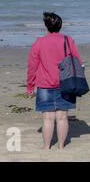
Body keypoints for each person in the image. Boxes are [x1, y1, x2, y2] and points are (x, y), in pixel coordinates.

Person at [27, 12, 83, 149]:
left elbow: (32, 66)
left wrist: (30, 85)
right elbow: (78, 61)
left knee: (48, 118)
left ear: (46, 26)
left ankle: (46, 147)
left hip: (44, 84)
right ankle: (61, 146)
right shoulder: (68, 40)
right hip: (66, 83)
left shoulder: (39, 42)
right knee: (62, 117)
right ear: (60, 25)